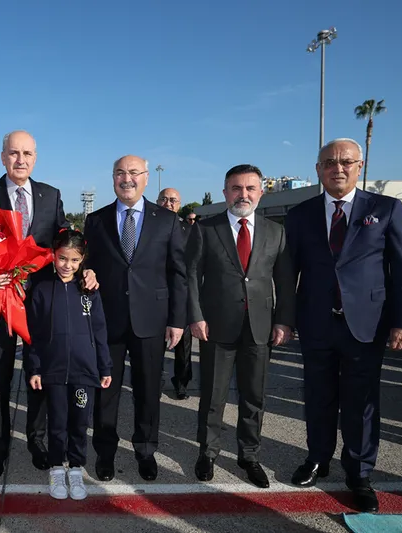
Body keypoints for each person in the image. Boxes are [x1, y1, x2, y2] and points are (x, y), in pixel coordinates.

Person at [285, 138, 402, 513]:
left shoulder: (387, 209)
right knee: (318, 397)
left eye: (345, 162)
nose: (337, 168)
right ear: (318, 169)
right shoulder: (301, 214)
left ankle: (359, 473)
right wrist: (286, 320)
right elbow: (288, 271)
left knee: (361, 403)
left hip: (367, 325)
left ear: (360, 167)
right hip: (316, 325)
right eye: (329, 162)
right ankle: (317, 459)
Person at [0, 130, 96, 479]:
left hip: (41, 305)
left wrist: (86, 267)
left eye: (27, 153)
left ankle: (36, 440)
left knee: (40, 374)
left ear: (35, 158)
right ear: (2, 156)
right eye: (13, 153)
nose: (20, 159)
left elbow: (64, 241)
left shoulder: (50, 195)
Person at [185, 165, 296, 488]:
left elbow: (284, 282)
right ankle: (208, 453)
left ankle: (249, 455)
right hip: (216, 326)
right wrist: (195, 315)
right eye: (236, 188)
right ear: (224, 193)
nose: (243, 194)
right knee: (213, 396)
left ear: (261, 192)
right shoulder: (206, 229)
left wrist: (284, 320)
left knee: (254, 396)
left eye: (250, 188)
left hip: (260, 328)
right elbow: (191, 276)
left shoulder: (275, 232)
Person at [84, 155, 186, 482]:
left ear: (145, 177)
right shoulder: (95, 220)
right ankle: (105, 452)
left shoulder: (167, 220)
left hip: (152, 321)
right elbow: (89, 265)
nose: (126, 179)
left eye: (133, 173)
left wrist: (177, 320)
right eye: (119, 173)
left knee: (147, 390)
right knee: (106, 391)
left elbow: (178, 274)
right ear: (112, 178)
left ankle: (145, 450)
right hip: (108, 321)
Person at [24, 229, 113, 500]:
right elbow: (33, 334)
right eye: (63, 258)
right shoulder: (40, 289)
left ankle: (75, 467)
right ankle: (55, 468)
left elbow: (99, 331)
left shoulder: (89, 290)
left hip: (84, 372)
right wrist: (35, 367)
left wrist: (104, 366)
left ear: (83, 260)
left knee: (79, 423)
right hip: (52, 371)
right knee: (57, 423)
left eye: (74, 260)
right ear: (53, 255)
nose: (68, 265)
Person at [157, 188, 193, 400]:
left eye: (173, 200)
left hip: (182, 296)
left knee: (184, 347)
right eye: (164, 199)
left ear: (179, 204)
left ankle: (181, 383)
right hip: (155, 296)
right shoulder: (147, 225)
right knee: (154, 346)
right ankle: (154, 380)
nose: (168, 203)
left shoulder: (189, 230)